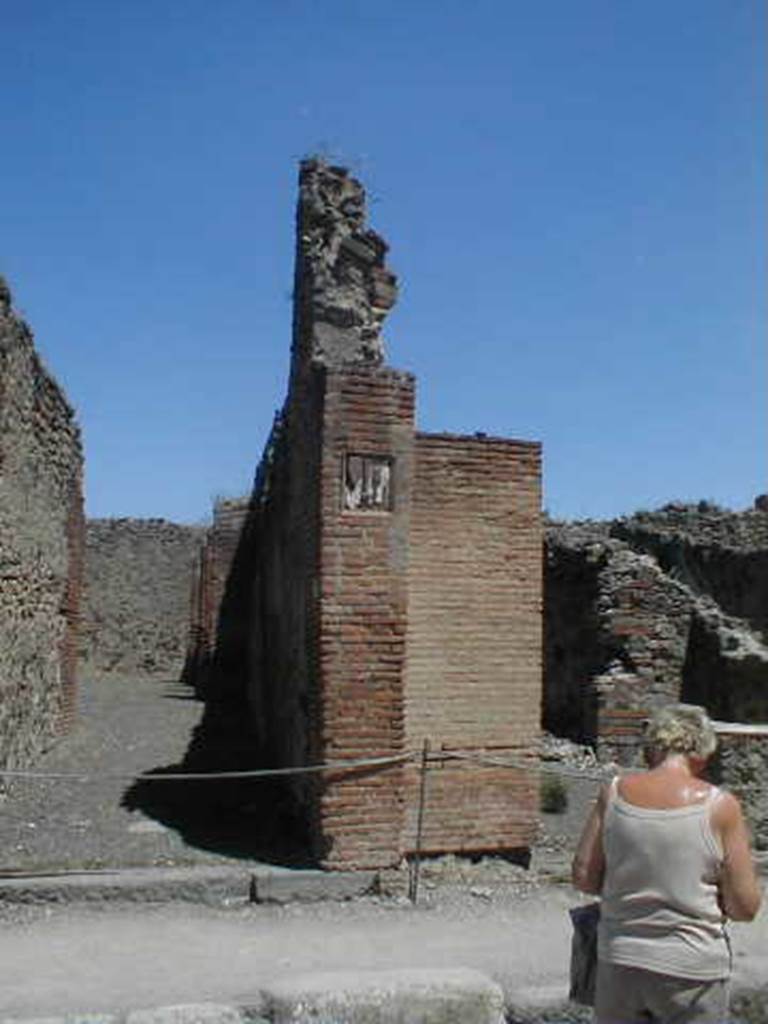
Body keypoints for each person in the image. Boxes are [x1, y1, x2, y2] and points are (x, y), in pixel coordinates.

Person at [572, 702, 762, 1024]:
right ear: (701, 752)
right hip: (692, 968)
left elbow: (584, 878)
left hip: (620, 961)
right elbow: (745, 907)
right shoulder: (721, 806)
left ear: (653, 747)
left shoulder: (613, 794)